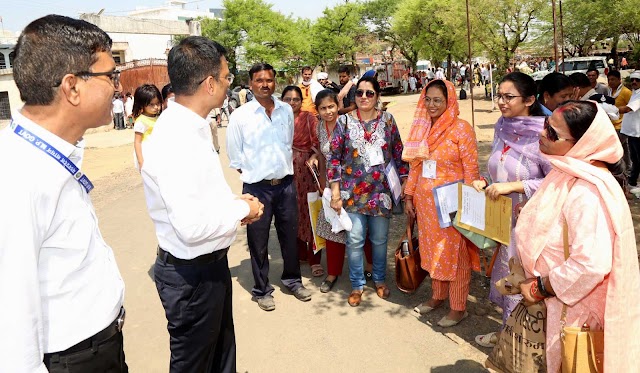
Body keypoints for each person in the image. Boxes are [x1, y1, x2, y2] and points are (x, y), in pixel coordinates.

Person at [0, 15, 127, 372]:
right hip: (72, 360)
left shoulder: (47, 155)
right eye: (110, 76)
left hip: (98, 349)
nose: (117, 88)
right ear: (72, 87)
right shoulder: (17, 173)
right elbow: (9, 318)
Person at [141, 36, 264, 373]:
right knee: (195, 364)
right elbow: (192, 227)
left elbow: (202, 196)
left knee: (221, 357)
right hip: (191, 274)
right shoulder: (175, 139)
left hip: (207, 266)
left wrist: (234, 202)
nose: (228, 85)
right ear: (210, 83)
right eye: (226, 78)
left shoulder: (192, 127)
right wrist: (244, 211)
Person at [515, 100, 640, 373]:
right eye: (546, 125)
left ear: (582, 144)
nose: (542, 134)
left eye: (553, 134)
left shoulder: (587, 192)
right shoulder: (569, 171)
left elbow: (591, 263)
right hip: (561, 304)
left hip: (574, 310)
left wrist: (542, 286)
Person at [472, 72, 551, 348]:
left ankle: (523, 343)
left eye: (509, 97)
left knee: (525, 281)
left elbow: (557, 183)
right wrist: (485, 180)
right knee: (508, 276)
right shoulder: (501, 127)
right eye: (499, 96)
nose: (502, 102)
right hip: (503, 221)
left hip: (532, 225)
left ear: (529, 99)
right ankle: (510, 335)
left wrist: (516, 186)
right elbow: (497, 167)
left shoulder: (544, 134)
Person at [227, 63, 312, 312]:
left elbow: (287, 144)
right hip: (257, 188)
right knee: (258, 240)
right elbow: (236, 157)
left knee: (290, 235)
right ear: (251, 84)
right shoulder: (240, 116)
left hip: (285, 185)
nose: (265, 84)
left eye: (269, 80)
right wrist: (257, 175)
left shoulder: (286, 110)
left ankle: (292, 280)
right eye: (259, 80)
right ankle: (262, 289)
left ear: (275, 82)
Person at [403, 79, 480, 327]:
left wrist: (470, 205)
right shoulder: (423, 128)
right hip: (425, 206)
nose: (432, 105)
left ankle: (458, 308)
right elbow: (416, 165)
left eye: (438, 100)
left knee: (454, 256)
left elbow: (471, 170)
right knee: (432, 252)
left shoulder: (461, 129)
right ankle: (437, 296)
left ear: (449, 101)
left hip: (452, 205)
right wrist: (409, 195)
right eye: (428, 99)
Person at [327, 76, 409, 306]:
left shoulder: (388, 121)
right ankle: (357, 284)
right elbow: (333, 160)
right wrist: (335, 192)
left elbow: (399, 153)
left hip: (380, 194)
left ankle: (380, 280)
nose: (363, 97)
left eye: (369, 93)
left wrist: (404, 182)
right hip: (351, 194)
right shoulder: (343, 123)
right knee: (355, 240)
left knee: (380, 239)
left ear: (377, 96)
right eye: (359, 93)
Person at [308, 89, 375, 293]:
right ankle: (333, 272)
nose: (328, 111)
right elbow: (321, 154)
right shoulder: (319, 127)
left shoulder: (350, 123)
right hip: (331, 185)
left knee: (360, 226)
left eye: (331, 107)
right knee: (332, 228)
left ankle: (371, 267)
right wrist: (321, 179)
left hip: (354, 183)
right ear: (317, 111)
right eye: (323, 108)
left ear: (338, 105)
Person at [281, 85, 323, 277]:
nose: (292, 103)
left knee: (312, 212)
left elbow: (318, 142)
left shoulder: (309, 118)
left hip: (307, 173)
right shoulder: (277, 119)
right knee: (292, 214)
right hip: (286, 174)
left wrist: (313, 157)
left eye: (295, 99)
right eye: (288, 99)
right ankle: (300, 254)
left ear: (301, 101)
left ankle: (315, 259)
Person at [609, 70, 633, 176]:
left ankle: (619, 172)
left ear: (620, 80)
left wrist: (618, 110)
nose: (611, 82)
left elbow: (632, 108)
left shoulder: (626, 92)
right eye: (609, 79)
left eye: (613, 79)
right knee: (624, 150)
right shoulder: (610, 92)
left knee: (615, 149)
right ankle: (628, 170)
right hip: (612, 125)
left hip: (622, 125)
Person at [132, 84, 162, 170]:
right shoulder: (141, 121)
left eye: (158, 103)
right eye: (151, 105)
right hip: (147, 153)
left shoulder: (158, 117)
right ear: (142, 104)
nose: (156, 107)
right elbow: (137, 142)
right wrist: (141, 161)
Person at [620, 72, 640, 192]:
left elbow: (628, 109)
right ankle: (632, 181)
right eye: (632, 80)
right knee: (635, 160)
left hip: (638, 133)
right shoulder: (634, 93)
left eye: (637, 80)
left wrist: (612, 110)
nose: (634, 82)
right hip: (632, 132)